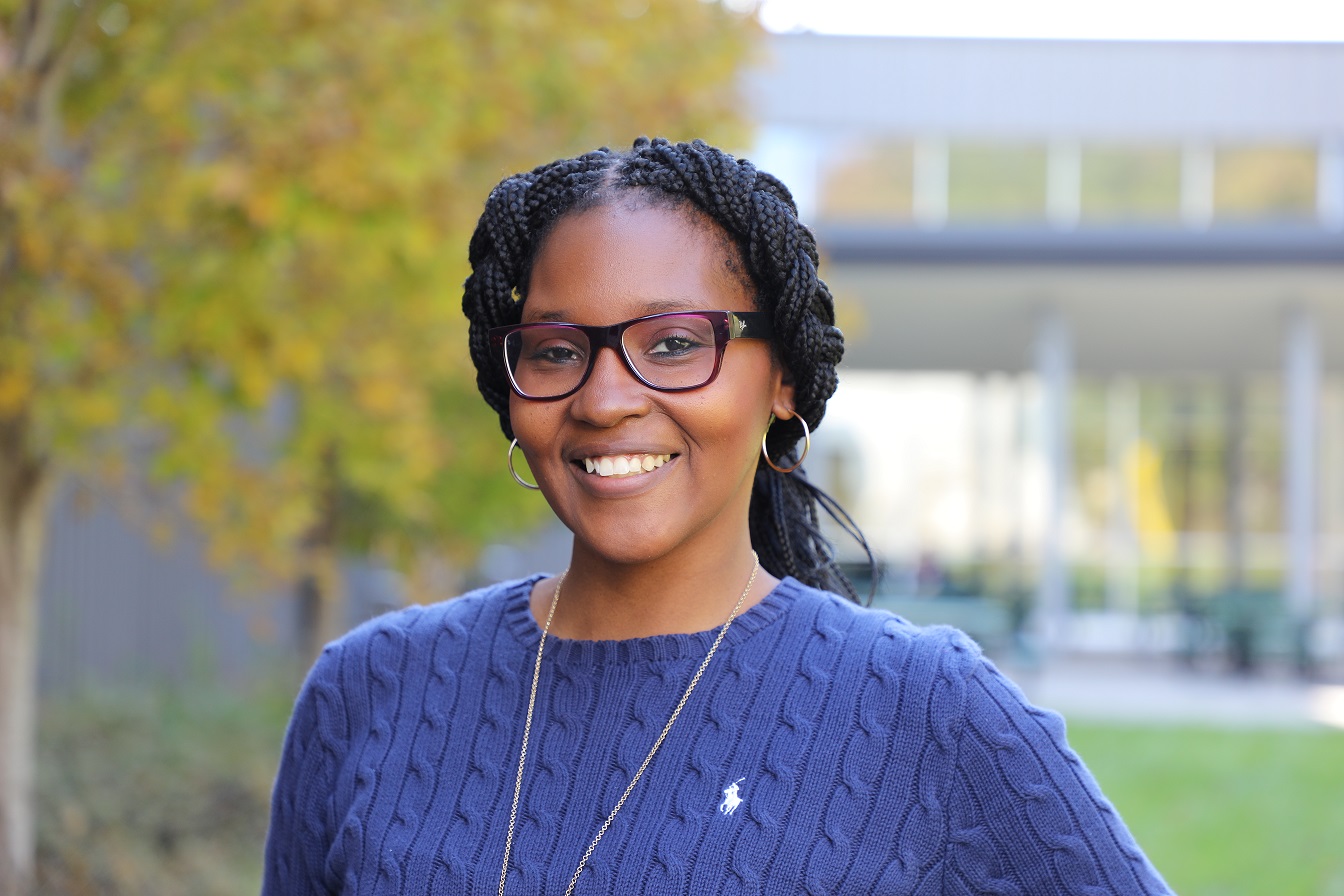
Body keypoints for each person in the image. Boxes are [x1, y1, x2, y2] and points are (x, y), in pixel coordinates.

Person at [263, 137, 1173, 895]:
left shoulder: (924, 709)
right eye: (554, 349)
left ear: (782, 380)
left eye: (673, 343)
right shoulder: (369, 693)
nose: (606, 398)